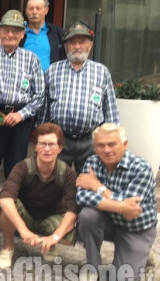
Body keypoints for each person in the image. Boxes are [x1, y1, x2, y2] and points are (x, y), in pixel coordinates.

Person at [0, 10, 45, 236]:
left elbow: (39, 96)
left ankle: (13, 218)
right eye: (6, 30)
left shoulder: (31, 60)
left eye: (15, 31)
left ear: (22, 34)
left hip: (20, 119)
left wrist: (22, 114)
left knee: (16, 171)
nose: (10, 34)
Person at [75, 123, 157, 281]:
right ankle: (93, 267)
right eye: (100, 145)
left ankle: (143, 252)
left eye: (112, 144)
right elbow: (82, 196)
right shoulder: (92, 162)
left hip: (136, 227)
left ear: (124, 145)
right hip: (110, 222)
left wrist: (98, 187)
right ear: (94, 147)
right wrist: (121, 207)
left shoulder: (141, 168)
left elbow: (133, 207)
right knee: (87, 216)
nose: (106, 150)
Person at [39, 22, 119, 172]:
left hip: (91, 141)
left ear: (90, 45)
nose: (77, 46)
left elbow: (111, 112)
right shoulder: (52, 71)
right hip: (60, 139)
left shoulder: (101, 72)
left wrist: (111, 141)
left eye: (82, 42)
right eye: (72, 42)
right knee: (57, 186)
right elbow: (44, 109)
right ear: (65, 46)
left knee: (91, 185)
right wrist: (43, 137)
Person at [0, 123, 78, 269]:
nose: (47, 149)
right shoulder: (22, 167)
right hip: (25, 216)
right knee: (6, 208)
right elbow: (5, 198)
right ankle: (8, 248)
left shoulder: (67, 173)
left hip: (51, 218)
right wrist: (22, 229)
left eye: (51, 144)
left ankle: (50, 245)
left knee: (69, 235)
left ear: (59, 148)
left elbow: (72, 211)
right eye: (42, 144)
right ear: (35, 147)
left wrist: (55, 237)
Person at [20, 0, 66, 71]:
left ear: (46, 10)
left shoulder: (58, 33)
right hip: (24, 81)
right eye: (31, 9)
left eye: (38, 8)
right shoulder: (20, 34)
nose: (34, 12)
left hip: (50, 81)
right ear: (26, 11)